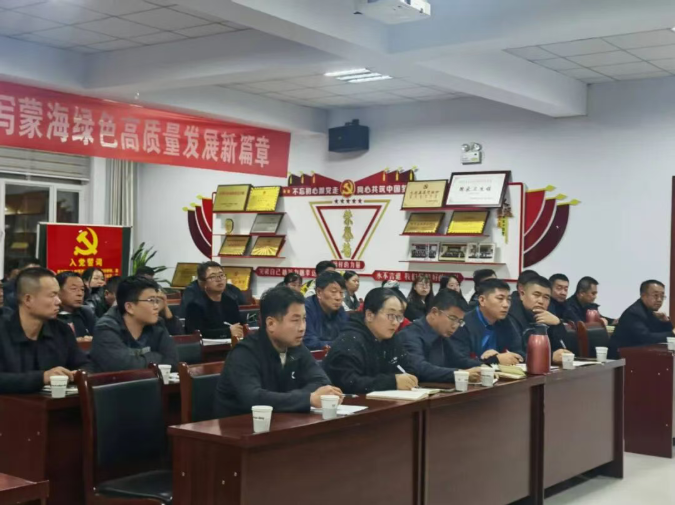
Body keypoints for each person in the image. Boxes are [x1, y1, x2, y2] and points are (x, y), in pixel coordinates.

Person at [213, 286, 340, 418]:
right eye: (295, 320)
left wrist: (304, 398)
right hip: (239, 426)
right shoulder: (244, 354)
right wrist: (307, 398)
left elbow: (322, 382)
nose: (302, 328)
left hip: (283, 422)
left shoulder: (296, 347)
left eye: (304, 319)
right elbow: (254, 398)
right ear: (271, 323)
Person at [0, 268, 91, 394]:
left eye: (58, 295)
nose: (58, 301)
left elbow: (84, 364)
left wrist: (78, 374)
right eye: (52, 295)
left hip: (56, 403)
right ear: (28, 299)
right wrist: (42, 378)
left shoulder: (62, 330)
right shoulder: (3, 331)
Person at [323, 288, 419, 394]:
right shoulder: (350, 341)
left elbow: (408, 367)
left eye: (399, 316)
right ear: (369, 315)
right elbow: (348, 383)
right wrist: (392, 381)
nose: (396, 323)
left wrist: (408, 379)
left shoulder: (391, 338)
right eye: (391, 315)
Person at [90, 276, 178, 372]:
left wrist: (140, 361)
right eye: (151, 301)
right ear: (129, 307)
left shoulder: (157, 324)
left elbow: (172, 362)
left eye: (157, 301)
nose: (156, 306)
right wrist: (155, 357)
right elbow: (121, 367)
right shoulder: (106, 328)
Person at [399, 290, 481, 383]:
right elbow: (420, 369)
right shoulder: (410, 335)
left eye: (459, 321)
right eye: (452, 318)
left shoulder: (441, 333)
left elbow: (458, 360)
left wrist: (482, 366)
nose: (455, 326)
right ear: (435, 312)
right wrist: (461, 374)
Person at [451, 278, 524, 368]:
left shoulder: (506, 322)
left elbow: (520, 353)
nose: (506, 305)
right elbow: (460, 361)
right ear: (482, 300)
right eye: (500, 299)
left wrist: (507, 356)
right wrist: (495, 359)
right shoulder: (463, 324)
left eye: (508, 299)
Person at [508, 276, 570, 364]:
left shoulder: (548, 315)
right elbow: (517, 354)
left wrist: (558, 324)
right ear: (522, 294)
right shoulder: (511, 315)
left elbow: (564, 348)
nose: (541, 301)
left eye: (546, 297)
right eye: (536, 295)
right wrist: (550, 356)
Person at [609, 280, 675, 359]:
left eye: (662, 296)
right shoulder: (634, 313)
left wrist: (666, 322)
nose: (659, 299)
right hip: (620, 358)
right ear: (643, 295)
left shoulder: (649, 312)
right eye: (655, 295)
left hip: (637, 354)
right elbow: (647, 338)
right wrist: (672, 333)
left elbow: (662, 334)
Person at [185, 262, 244, 339]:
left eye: (221, 275)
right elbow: (196, 333)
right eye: (213, 277)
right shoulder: (195, 305)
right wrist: (227, 332)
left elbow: (238, 325)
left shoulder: (230, 301)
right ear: (203, 282)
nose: (219, 279)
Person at [303, 271, 348, 350]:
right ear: (319, 292)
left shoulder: (340, 309)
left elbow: (347, 336)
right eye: (333, 292)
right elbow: (309, 342)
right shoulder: (306, 308)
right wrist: (339, 344)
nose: (338, 297)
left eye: (341, 293)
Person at [55, 271, 97, 343]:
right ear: (58, 291)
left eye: (82, 289)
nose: (80, 294)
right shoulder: (50, 314)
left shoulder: (86, 312)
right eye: (74, 289)